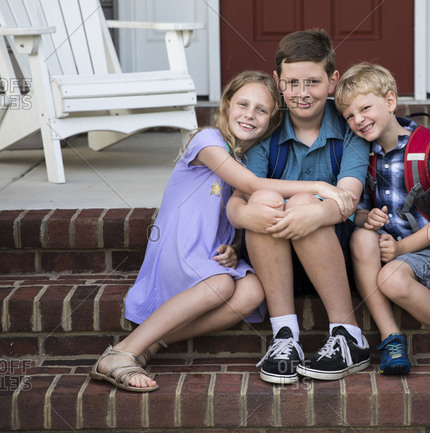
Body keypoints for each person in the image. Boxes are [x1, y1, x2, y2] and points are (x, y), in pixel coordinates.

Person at [89, 70, 356, 392]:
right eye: (243, 104)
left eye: (261, 110)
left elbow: (237, 211)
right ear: (227, 105)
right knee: (220, 283)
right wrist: (320, 187)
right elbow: (251, 185)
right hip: (179, 250)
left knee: (253, 291)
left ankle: (150, 345)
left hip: (210, 253)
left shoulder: (245, 157)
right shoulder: (206, 141)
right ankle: (122, 351)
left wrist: (236, 248)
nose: (249, 115)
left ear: (271, 120)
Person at [226, 29, 372, 384]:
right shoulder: (267, 130)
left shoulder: (350, 127)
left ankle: (348, 334)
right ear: (278, 82)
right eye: (292, 83)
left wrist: (314, 211)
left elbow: (348, 196)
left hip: (332, 257)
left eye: (313, 82)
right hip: (274, 262)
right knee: (263, 199)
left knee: (307, 201)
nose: (302, 93)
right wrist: (247, 215)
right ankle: (284, 336)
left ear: (333, 81)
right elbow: (238, 200)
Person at [334, 62, 430, 376]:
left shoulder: (428, 150)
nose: (358, 120)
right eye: (349, 116)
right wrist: (369, 216)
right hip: (386, 250)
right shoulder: (365, 155)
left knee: (390, 278)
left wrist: (401, 248)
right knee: (360, 236)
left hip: (429, 250)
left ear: (390, 101)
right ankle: (390, 337)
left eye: (365, 108)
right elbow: (358, 210)